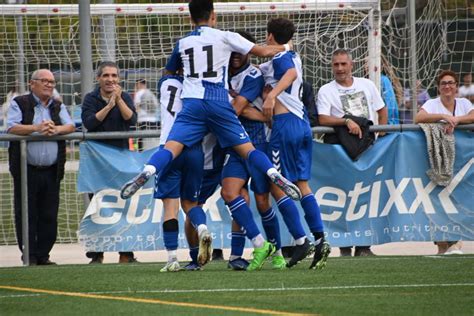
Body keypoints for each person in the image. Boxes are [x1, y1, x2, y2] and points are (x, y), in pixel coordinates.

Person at [120, 0, 302, 270]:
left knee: (170, 147)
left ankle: (146, 172)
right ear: (213, 16)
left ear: (190, 18)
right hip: (218, 102)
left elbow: (170, 71)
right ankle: (275, 175)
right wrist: (285, 47)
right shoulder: (226, 37)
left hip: (192, 104)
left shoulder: (182, 43)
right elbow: (263, 50)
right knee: (248, 150)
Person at [260, 18, 331, 270]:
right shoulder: (292, 55)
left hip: (286, 126)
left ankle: (301, 240)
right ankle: (320, 239)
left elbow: (288, 74)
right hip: (302, 125)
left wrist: (271, 96)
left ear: (270, 36)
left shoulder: (281, 59)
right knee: (302, 184)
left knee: (276, 182)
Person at [220, 30, 286, 270]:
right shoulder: (219, 73)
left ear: (249, 51)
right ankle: (248, 249)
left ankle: (277, 251)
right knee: (230, 194)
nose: (236, 55)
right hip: (233, 147)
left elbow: (236, 109)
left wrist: (232, 100)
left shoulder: (254, 74)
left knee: (262, 202)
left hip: (259, 144)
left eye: (242, 50)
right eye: (233, 51)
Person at [317, 48, 388, 257]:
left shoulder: (367, 85)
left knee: (366, 196)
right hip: (339, 149)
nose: (339, 68)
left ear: (351, 65)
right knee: (343, 197)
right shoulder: (326, 90)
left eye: (343, 64)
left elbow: (381, 110)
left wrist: (381, 133)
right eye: (336, 64)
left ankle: (364, 246)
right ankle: (345, 246)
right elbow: (323, 119)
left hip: (367, 148)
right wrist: (346, 121)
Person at [7, 69, 75, 265]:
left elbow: (70, 126)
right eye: (44, 81)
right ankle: (29, 255)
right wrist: (36, 129)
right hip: (26, 170)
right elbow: (11, 127)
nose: (49, 85)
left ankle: (44, 255)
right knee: (26, 213)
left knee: (49, 214)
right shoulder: (20, 103)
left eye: (52, 82)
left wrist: (56, 129)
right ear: (32, 83)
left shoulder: (57, 105)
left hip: (52, 171)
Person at [81, 61, 138, 264]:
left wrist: (119, 100)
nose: (110, 80)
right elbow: (89, 123)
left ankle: (126, 254)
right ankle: (97, 254)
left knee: (124, 204)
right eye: (106, 76)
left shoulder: (126, 97)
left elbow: (131, 119)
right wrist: (109, 105)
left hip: (121, 161)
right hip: (96, 163)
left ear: (119, 79)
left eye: (114, 76)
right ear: (99, 78)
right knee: (97, 207)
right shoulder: (91, 98)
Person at [415, 70, 474, 255]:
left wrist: (457, 119)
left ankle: (456, 242)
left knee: (459, 198)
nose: (447, 86)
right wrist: (442, 117)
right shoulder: (432, 104)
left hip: (462, 162)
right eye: (443, 83)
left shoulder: (464, 103)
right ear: (438, 87)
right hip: (439, 160)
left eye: (450, 83)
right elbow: (419, 118)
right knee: (437, 199)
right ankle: (442, 246)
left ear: (456, 86)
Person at [133, 79, 160, 150]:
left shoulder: (139, 93)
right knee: (152, 145)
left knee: (142, 145)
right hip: (154, 121)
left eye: (136, 85)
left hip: (143, 121)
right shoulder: (151, 93)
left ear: (139, 84)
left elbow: (136, 107)